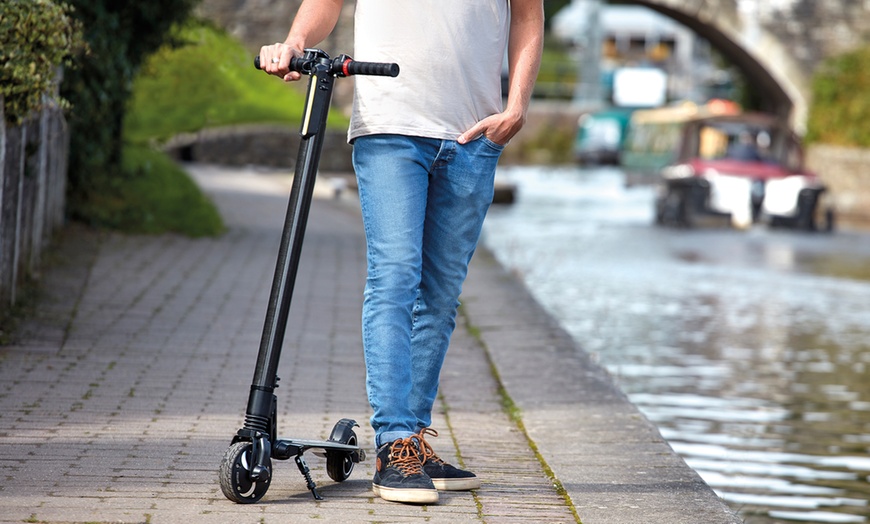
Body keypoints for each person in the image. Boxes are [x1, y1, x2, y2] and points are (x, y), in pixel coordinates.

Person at [259, 0, 544, 505]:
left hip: (473, 137)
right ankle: (394, 446)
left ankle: (412, 438)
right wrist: (296, 43)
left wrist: (517, 106)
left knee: (439, 297)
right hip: (391, 128)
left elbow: (527, 15)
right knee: (395, 277)